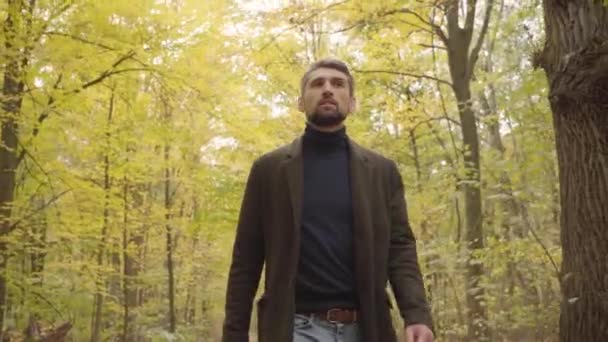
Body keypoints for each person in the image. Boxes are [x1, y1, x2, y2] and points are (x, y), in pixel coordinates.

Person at [222, 58, 434, 342]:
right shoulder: (269, 170)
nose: (327, 90)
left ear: (352, 102)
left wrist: (416, 314)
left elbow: (400, 249)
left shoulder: (382, 172)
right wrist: (234, 333)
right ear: (301, 102)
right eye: (317, 83)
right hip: (295, 328)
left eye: (338, 84)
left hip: (367, 327)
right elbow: (246, 259)